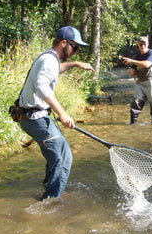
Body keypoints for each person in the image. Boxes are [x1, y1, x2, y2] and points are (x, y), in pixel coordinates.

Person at [18, 26, 95, 201]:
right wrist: (62, 113)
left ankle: (47, 186)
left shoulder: (50, 57)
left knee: (56, 153)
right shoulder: (49, 60)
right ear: (64, 43)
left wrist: (75, 64)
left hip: (34, 116)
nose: (76, 51)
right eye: (75, 47)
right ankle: (50, 201)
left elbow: (55, 69)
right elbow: (41, 84)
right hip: (34, 118)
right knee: (64, 156)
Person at [122, 35, 152, 124]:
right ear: (138, 45)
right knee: (135, 104)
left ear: (147, 44)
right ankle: (133, 124)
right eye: (140, 45)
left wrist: (131, 61)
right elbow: (136, 72)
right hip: (141, 83)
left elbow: (147, 65)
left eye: (144, 44)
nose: (142, 46)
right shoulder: (137, 56)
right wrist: (132, 72)